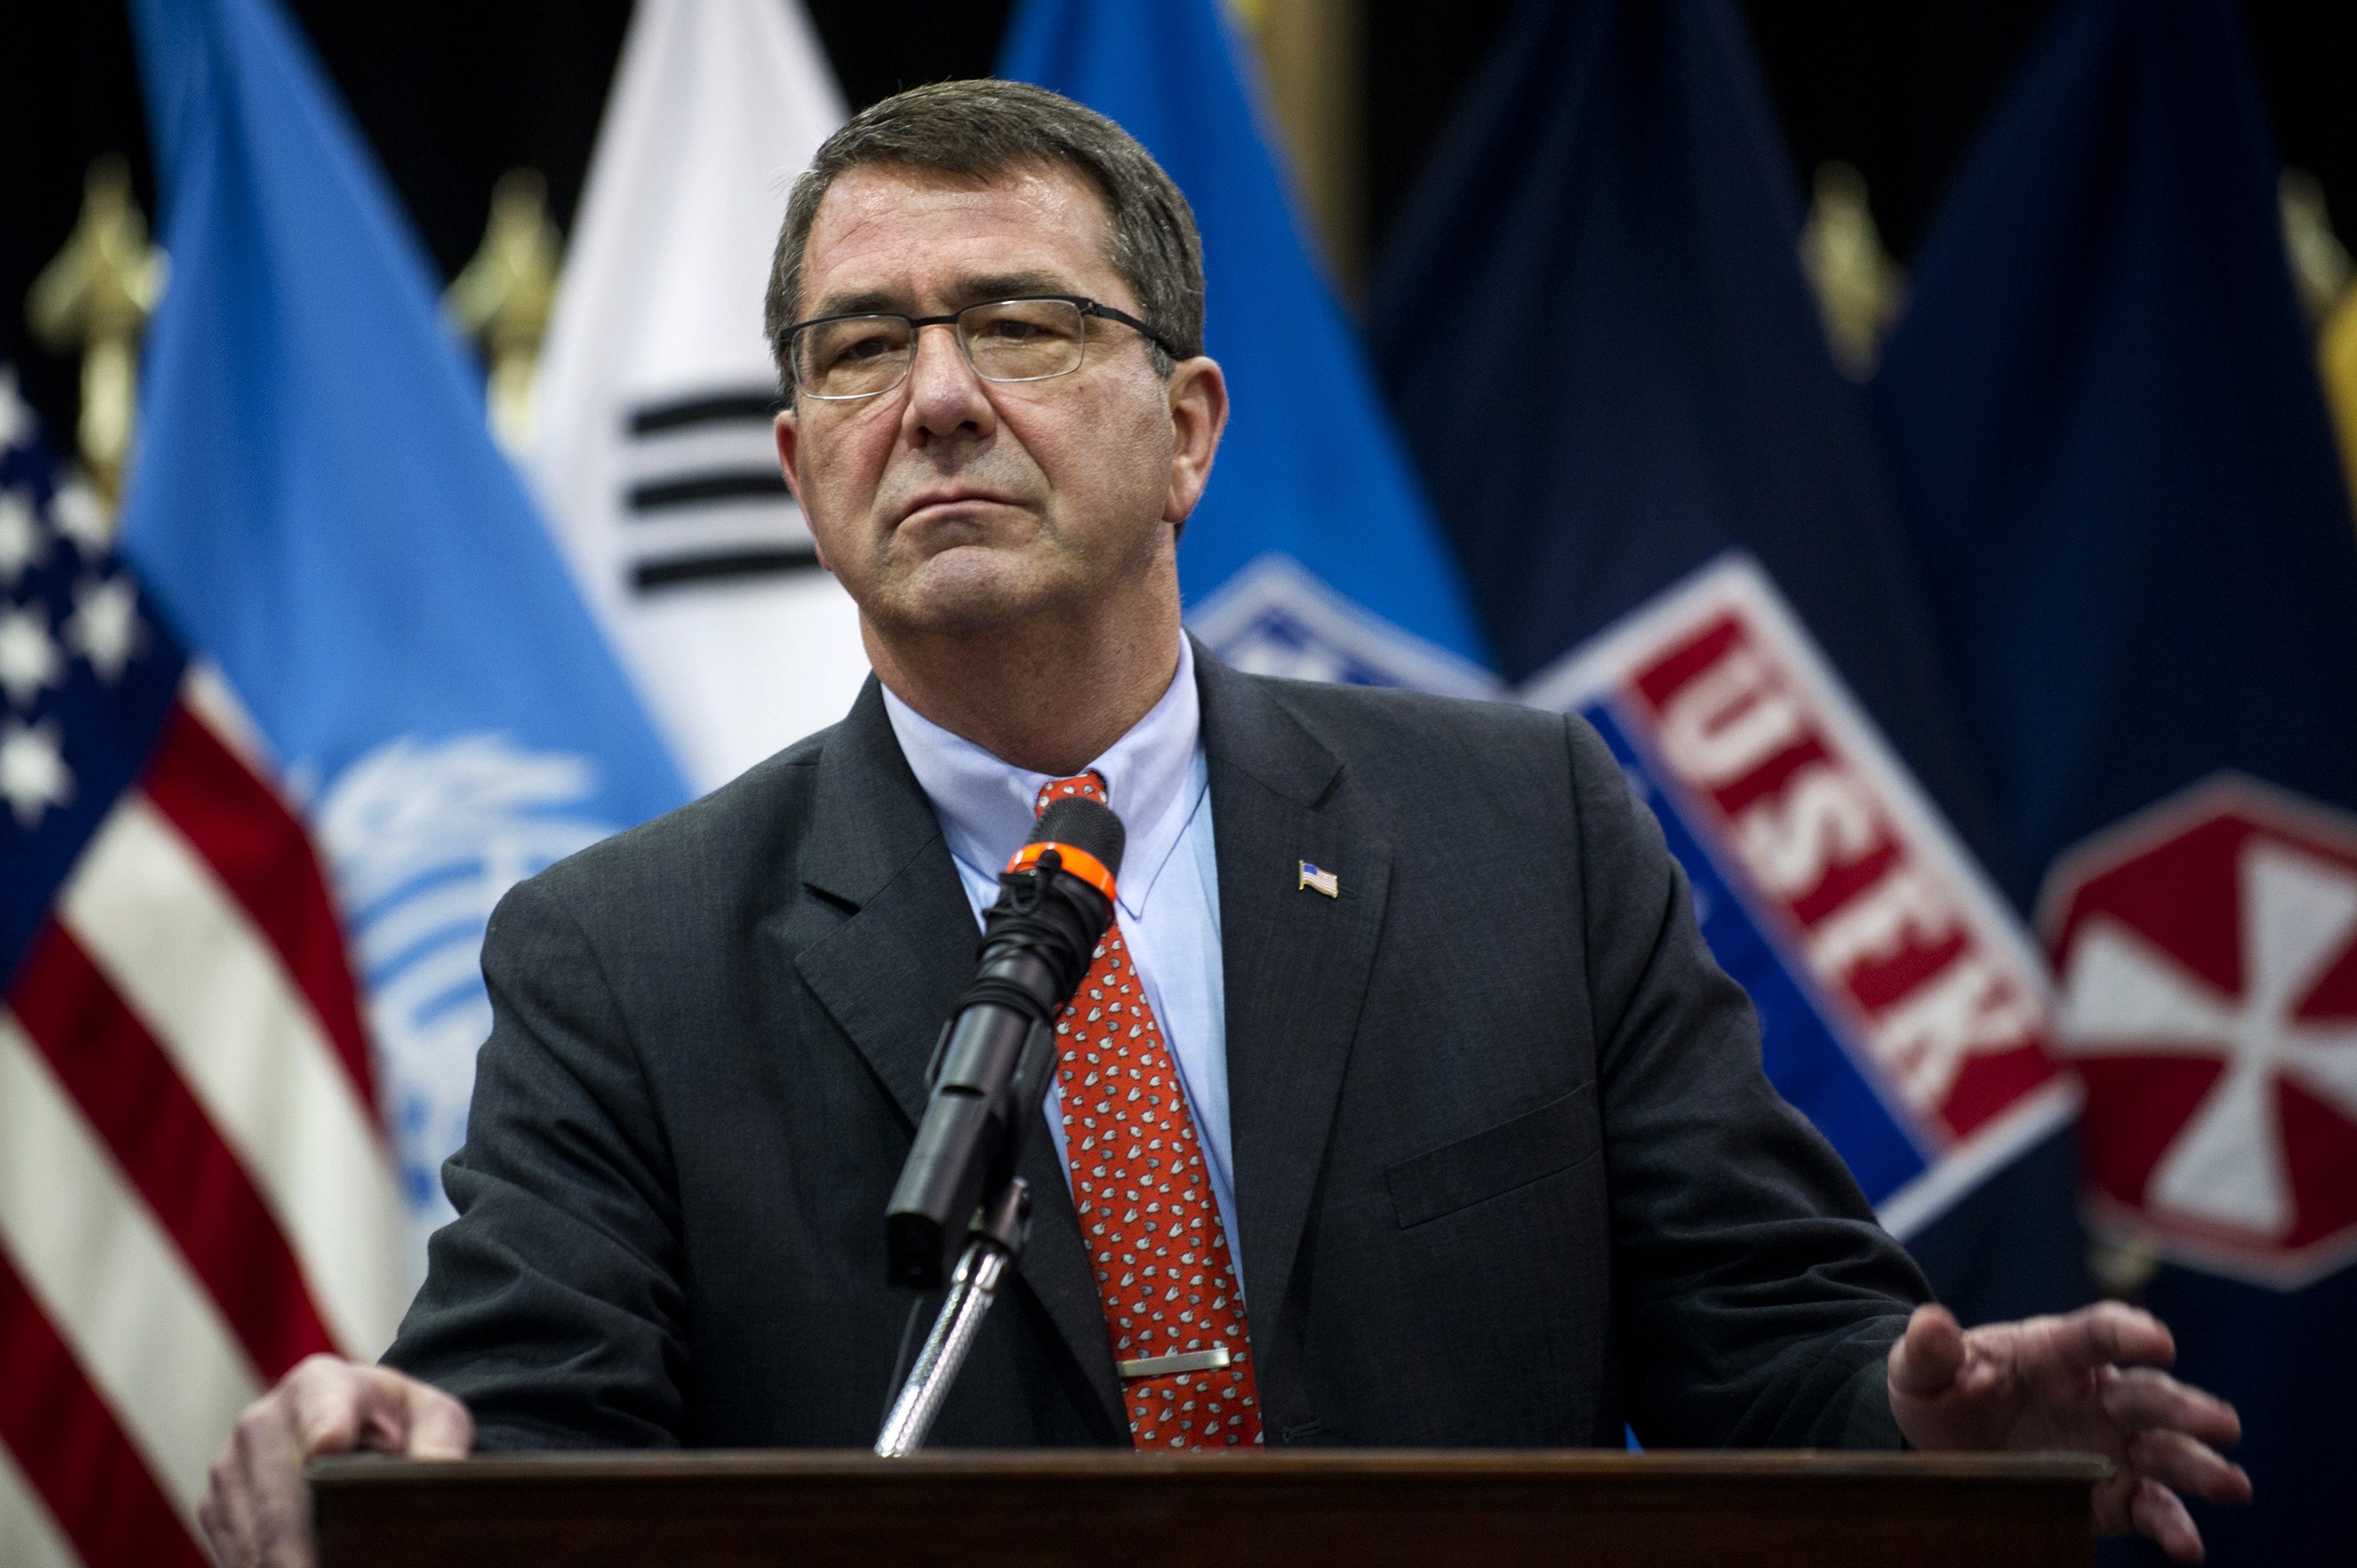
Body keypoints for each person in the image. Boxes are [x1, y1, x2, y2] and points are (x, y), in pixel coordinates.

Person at [197, 80, 2249, 1567]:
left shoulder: (1523, 828)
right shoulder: (621, 951)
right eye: (860, 350)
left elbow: (1775, 1334)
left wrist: (1913, 1406)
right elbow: (522, 1445)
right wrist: (400, 1451)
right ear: (802, 465)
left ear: (1187, 431)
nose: (934, 396)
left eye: (1016, 322)